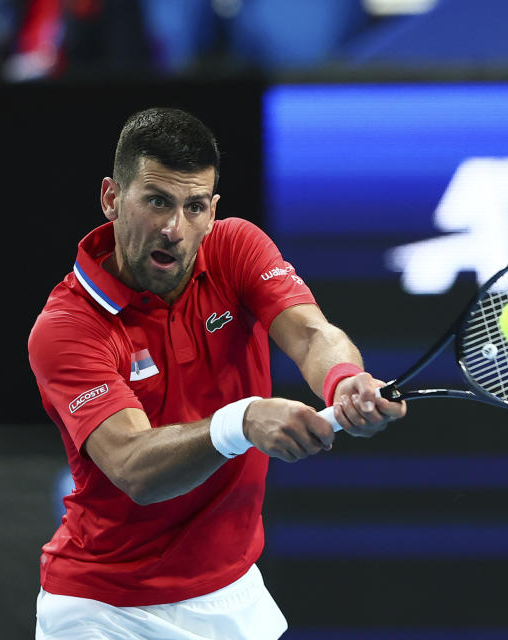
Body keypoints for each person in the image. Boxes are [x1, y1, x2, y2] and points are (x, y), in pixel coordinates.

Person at [27, 107, 405, 640]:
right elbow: (135, 468)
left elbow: (311, 333)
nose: (172, 228)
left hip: (230, 592)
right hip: (105, 609)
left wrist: (345, 380)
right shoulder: (68, 327)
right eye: (156, 200)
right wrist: (243, 421)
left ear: (213, 209)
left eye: (193, 206)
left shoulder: (235, 247)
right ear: (112, 197)